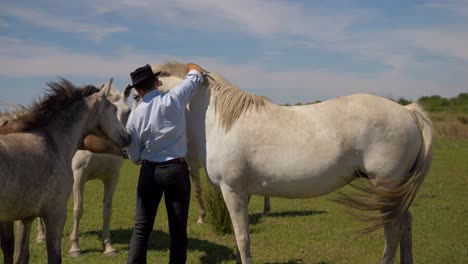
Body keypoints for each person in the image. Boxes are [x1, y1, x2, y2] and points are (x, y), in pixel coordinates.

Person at [125, 63, 204, 264]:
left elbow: (133, 156)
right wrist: (189, 66)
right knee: (178, 229)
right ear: (156, 82)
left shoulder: (134, 116)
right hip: (176, 171)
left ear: (138, 90)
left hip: (149, 172)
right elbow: (196, 74)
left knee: (141, 228)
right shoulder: (174, 98)